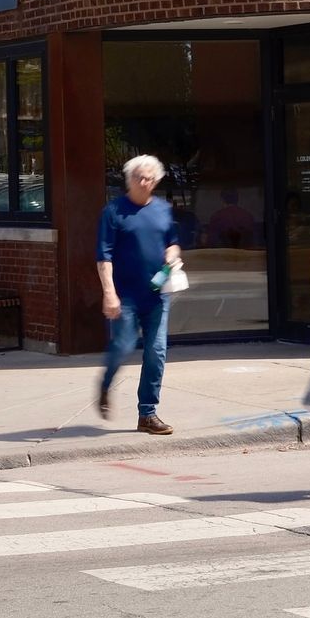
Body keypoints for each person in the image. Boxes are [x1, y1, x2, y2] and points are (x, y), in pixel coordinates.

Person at [96, 155, 182, 435]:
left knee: (156, 352)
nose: (143, 182)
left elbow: (173, 243)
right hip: (126, 296)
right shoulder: (113, 212)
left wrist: (172, 255)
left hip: (157, 293)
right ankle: (106, 383)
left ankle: (147, 413)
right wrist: (109, 293)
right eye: (138, 177)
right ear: (128, 179)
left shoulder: (163, 210)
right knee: (122, 346)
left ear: (156, 181)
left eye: (149, 178)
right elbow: (104, 257)